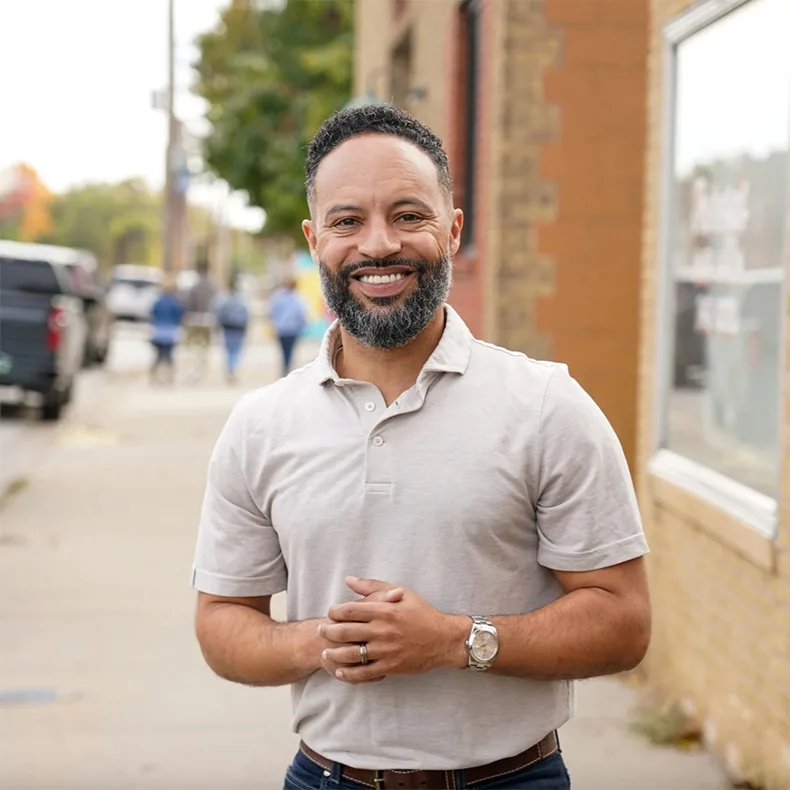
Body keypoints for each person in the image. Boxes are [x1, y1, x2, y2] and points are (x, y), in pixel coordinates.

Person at [191, 105, 651, 790]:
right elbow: (222, 622)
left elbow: (624, 620)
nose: (378, 245)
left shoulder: (546, 406)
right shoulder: (262, 424)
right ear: (317, 241)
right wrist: (318, 641)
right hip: (325, 778)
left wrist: (453, 641)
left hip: (510, 780)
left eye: (409, 215)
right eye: (349, 221)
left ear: (453, 229)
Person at [183, 256, 218, 382]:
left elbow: (188, 304)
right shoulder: (213, 287)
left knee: (193, 348)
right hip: (208, 320)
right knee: (204, 349)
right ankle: (200, 371)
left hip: (194, 319)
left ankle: (193, 371)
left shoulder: (194, 286)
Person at [214, 273, 250, 385]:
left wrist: (217, 326)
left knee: (229, 350)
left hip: (227, 327)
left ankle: (230, 368)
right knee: (236, 350)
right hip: (238, 327)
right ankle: (233, 368)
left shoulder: (223, 298)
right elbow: (246, 314)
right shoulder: (242, 299)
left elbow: (218, 313)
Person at [268, 278, 308, 376]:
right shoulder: (297, 298)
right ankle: (287, 368)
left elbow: (271, 312)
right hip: (293, 330)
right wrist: (302, 325)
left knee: (283, 350)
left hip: (281, 329)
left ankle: (285, 368)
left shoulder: (277, 297)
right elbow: (301, 314)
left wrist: (274, 323)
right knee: (289, 350)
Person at [148, 276, 184, 385]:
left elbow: (152, 314)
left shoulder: (158, 301)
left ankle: (154, 376)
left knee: (158, 356)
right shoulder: (175, 303)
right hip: (170, 333)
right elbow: (179, 316)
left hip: (158, 332)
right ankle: (169, 376)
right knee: (169, 356)